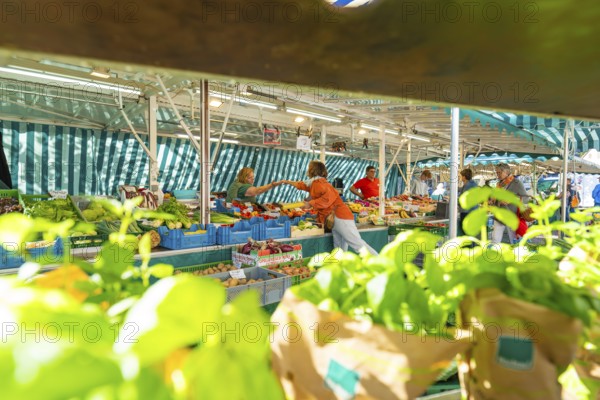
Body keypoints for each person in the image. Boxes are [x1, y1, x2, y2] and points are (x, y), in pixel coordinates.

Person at [278, 160, 378, 255]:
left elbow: (326, 200)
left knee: (357, 244)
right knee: (339, 247)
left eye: (309, 168)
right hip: (335, 218)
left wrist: (310, 203)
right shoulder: (315, 183)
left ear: (312, 170)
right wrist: (287, 182)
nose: (307, 170)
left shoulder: (320, 184)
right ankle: (340, 269)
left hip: (340, 217)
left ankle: (380, 262)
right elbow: (302, 185)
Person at [491, 163, 529, 244]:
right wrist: (498, 201)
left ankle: (516, 255)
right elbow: (494, 200)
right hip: (499, 216)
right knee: (495, 239)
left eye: (499, 173)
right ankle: (493, 255)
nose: (498, 175)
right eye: (497, 173)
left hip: (512, 215)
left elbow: (526, 198)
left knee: (514, 240)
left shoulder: (517, 183)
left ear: (507, 172)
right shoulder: (498, 185)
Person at [457, 168, 478, 236]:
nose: (460, 178)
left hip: (467, 212)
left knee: (465, 231)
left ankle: (468, 246)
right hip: (474, 211)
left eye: (461, 176)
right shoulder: (473, 184)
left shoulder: (467, 186)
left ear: (464, 177)